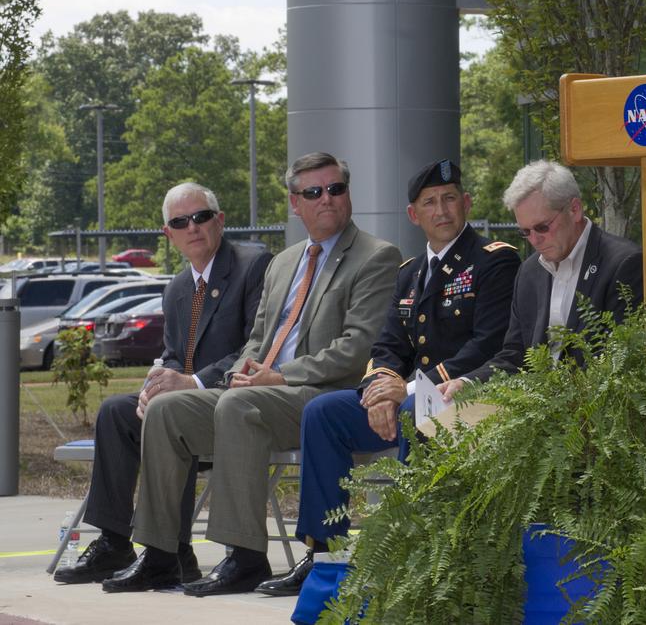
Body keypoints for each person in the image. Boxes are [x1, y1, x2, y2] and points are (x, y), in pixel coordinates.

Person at [103, 152, 401, 595]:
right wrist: (242, 373)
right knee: (166, 410)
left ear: (348, 194)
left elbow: (356, 349)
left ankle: (244, 557)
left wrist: (278, 377)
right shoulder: (284, 262)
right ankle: (162, 556)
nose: (327, 199)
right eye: (313, 192)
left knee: (240, 405)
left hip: (320, 395)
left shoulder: (377, 257)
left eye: (336, 189)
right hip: (261, 391)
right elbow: (257, 341)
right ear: (295, 203)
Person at [256, 159, 519, 597]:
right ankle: (325, 558)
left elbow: (489, 344)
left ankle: (410, 556)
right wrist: (379, 392)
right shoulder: (409, 272)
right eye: (430, 202)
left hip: (467, 397)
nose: (442, 210)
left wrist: (409, 389)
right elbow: (387, 346)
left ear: (467, 203)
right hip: (406, 398)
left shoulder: (494, 262)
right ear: (414, 215)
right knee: (323, 413)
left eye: (450, 198)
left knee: (420, 409)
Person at [53, 183, 270, 585]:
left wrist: (190, 383)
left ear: (220, 220)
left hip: (232, 403)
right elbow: (174, 354)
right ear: (167, 234)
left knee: (172, 412)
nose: (193, 227)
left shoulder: (252, 265)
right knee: (118, 411)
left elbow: (254, 347)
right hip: (188, 407)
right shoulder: (176, 288)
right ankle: (116, 542)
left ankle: (171, 551)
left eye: (201, 217)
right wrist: (156, 385)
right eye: (179, 222)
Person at [440, 159, 643, 397]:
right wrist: (469, 382)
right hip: (536, 415)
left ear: (574, 209)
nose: (534, 240)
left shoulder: (623, 263)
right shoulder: (529, 272)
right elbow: (515, 355)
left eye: (542, 227)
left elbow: (620, 364)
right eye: (524, 232)